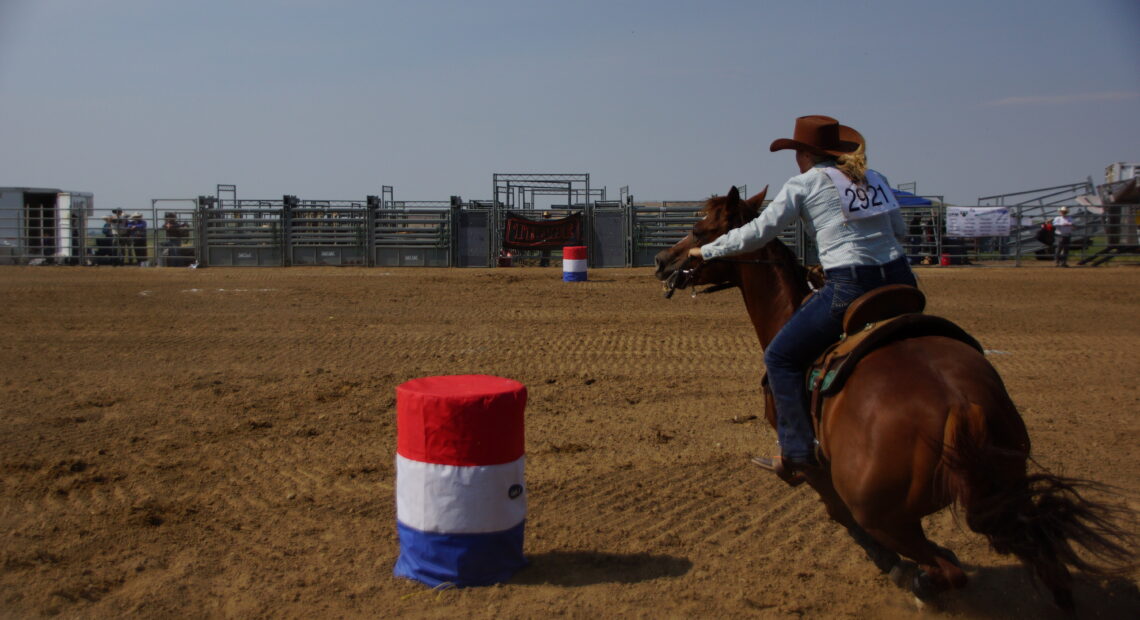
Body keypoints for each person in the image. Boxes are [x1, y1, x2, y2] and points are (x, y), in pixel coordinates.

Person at [687, 115, 916, 484]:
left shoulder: (804, 183)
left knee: (780, 356)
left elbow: (759, 233)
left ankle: (797, 450)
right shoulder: (877, 179)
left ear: (804, 154)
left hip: (851, 285)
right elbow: (899, 232)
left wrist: (709, 251)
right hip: (903, 281)